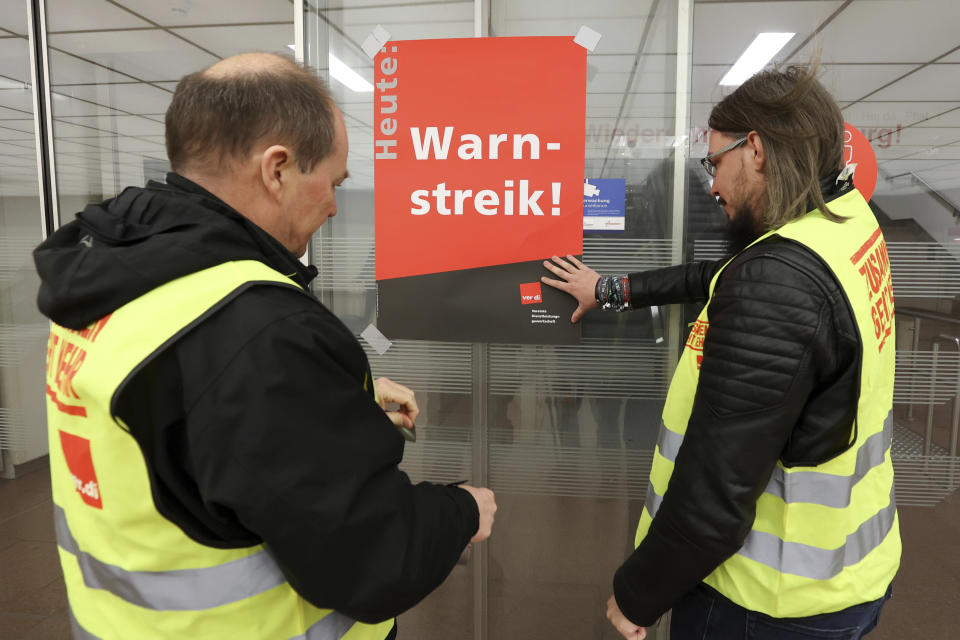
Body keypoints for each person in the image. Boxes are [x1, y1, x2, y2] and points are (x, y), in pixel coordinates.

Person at [35, 53, 496, 640]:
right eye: (332, 181)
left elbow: (181, 414)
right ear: (277, 169)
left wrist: (326, 395)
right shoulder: (255, 327)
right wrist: (462, 511)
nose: (333, 204)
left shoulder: (111, 275)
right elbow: (370, 560)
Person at [543, 63, 899, 640]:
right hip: (850, 576)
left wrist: (637, 595)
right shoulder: (846, 226)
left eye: (715, 163)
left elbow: (715, 496)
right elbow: (723, 274)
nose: (711, 185)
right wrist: (609, 290)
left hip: (767, 600)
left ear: (755, 148)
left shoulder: (779, 282)